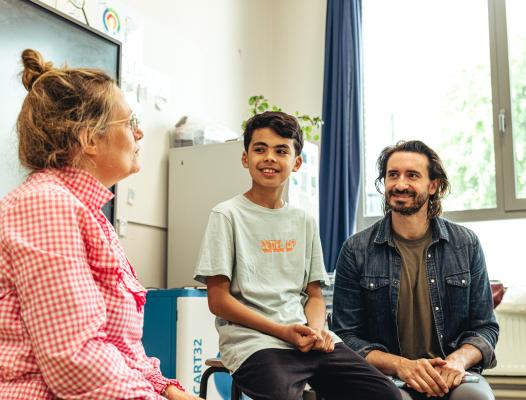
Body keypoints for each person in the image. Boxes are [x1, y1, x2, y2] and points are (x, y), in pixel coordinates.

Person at [0, 49, 199, 400]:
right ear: (89, 139)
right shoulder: (44, 205)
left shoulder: (88, 213)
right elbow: (73, 359)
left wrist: (168, 390)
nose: (139, 133)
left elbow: (118, 346)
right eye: (129, 121)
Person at [193, 111, 403, 400]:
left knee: (385, 395)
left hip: (307, 339)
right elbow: (219, 301)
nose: (269, 158)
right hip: (254, 343)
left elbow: (314, 294)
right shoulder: (226, 215)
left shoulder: (304, 221)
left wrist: (315, 331)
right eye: (260, 149)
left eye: (281, 151)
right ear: (245, 159)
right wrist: (282, 331)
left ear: (296, 162)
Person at [332, 140, 499, 400]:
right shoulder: (356, 249)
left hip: (451, 374)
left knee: (476, 399)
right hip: (386, 377)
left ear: (433, 185)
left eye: (412, 175)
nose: (400, 184)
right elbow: (346, 336)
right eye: (392, 175)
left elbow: (486, 327)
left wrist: (456, 362)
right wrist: (402, 365)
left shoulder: (466, 244)